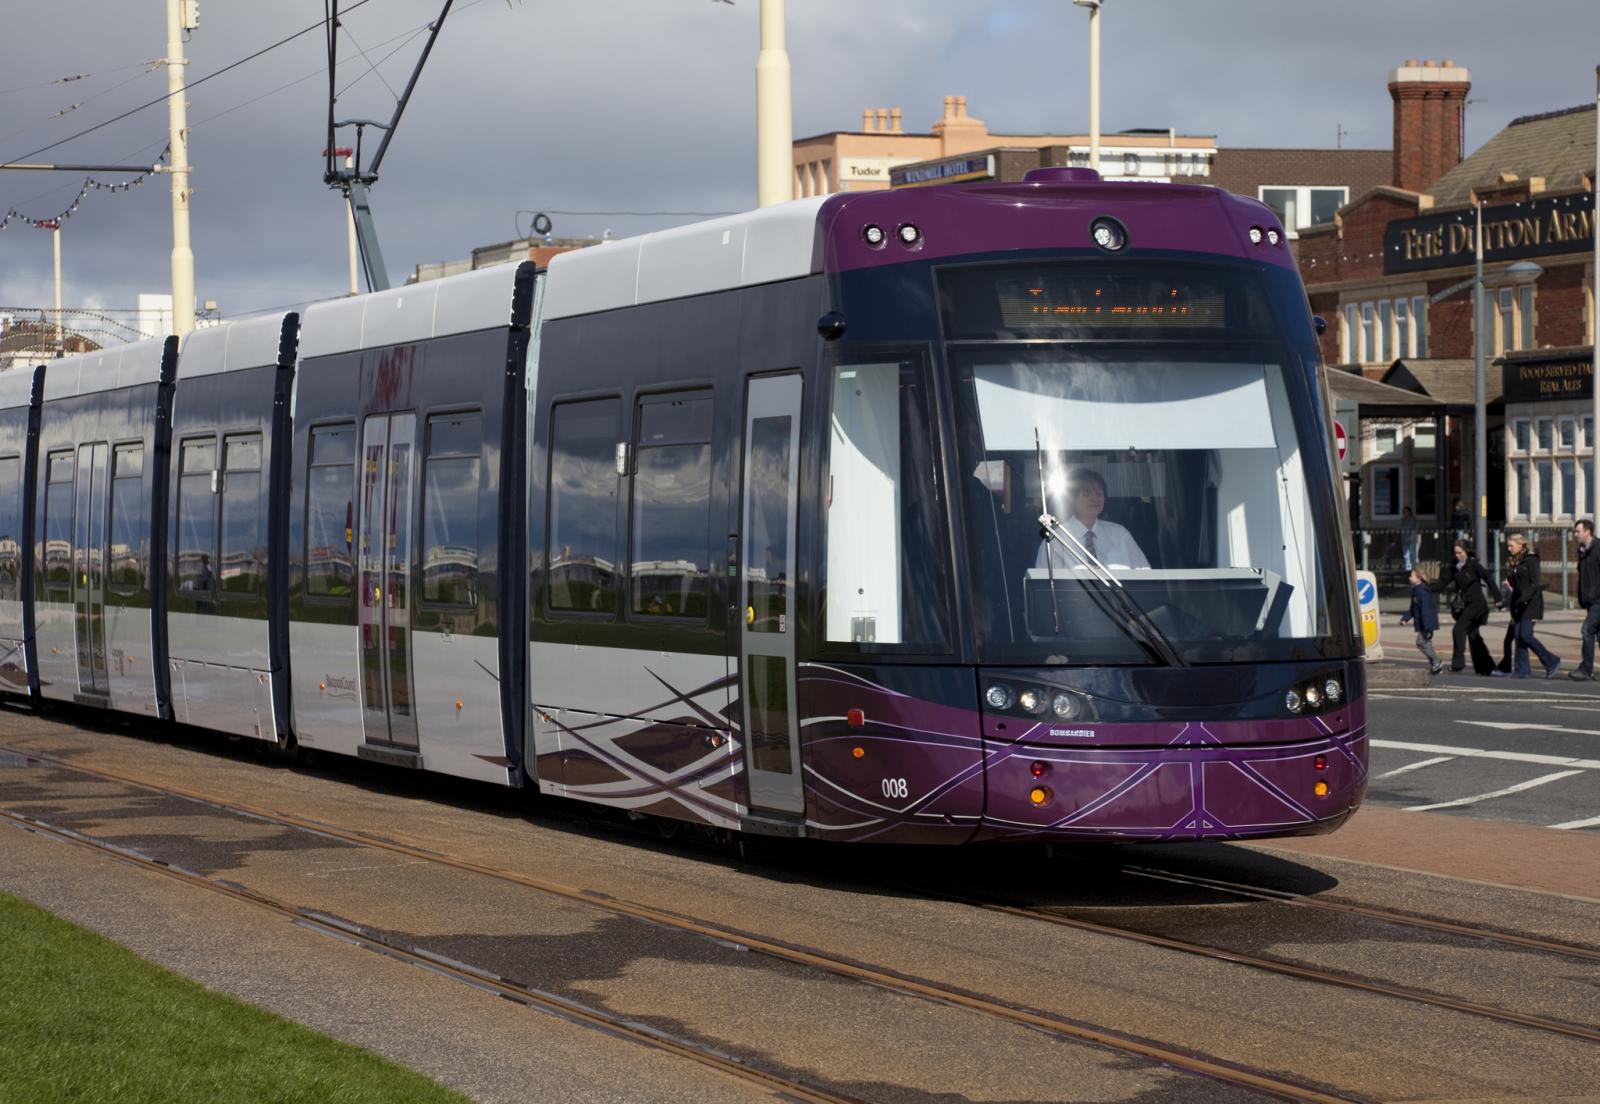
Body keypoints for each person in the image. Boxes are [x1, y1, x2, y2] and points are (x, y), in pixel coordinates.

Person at [1035, 467, 1150, 571]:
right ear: (1072, 499)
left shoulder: (1119, 534)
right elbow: (1044, 583)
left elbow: (1145, 575)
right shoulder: (1056, 539)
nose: (1095, 499)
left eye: (1099, 493)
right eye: (1087, 494)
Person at [1430, 540, 1494, 674]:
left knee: (1458, 630)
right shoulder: (1454, 567)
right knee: (1473, 635)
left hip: (1477, 605)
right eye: (1456, 553)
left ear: (1466, 551)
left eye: (1460, 553)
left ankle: (1458, 664)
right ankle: (1486, 667)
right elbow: (1442, 583)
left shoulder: (1473, 564)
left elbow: (1488, 578)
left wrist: (1498, 599)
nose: (1457, 555)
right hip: (1466, 605)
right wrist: (1425, 588)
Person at [1505, 532, 1561, 679]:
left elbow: (1535, 583)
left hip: (1531, 603)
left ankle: (1551, 661)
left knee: (1526, 635)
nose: (1509, 549)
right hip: (1518, 604)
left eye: (1511, 546)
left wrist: (1524, 597)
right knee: (1518, 636)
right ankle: (1522, 670)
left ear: (1520, 545)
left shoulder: (1531, 559)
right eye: (1508, 546)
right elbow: (1515, 583)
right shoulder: (1515, 560)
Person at [1569, 518, 1600, 681]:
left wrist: (1594, 593)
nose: (1575, 534)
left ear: (1588, 532)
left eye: (1578, 531)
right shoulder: (1583, 551)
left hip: (1598, 600)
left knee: (1587, 630)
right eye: (1574, 531)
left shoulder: (1598, 548)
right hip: (1590, 600)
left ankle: (1586, 669)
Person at [1398, 568, 1443, 674]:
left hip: (1426, 623)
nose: (1409, 578)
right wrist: (1405, 619)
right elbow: (1413, 608)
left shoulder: (1422, 591)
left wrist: (1427, 626)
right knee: (1426, 643)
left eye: (1411, 576)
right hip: (1423, 623)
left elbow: (1426, 609)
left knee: (1421, 642)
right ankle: (1435, 665)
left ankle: (1436, 661)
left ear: (1419, 578)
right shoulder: (1416, 590)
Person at [1399, 506, 1419, 571]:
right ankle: (1408, 571)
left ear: (1409, 512)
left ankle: (1415, 571)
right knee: (1406, 557)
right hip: (1405, 541)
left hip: (1412, 541)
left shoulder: (1413, 520)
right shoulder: (1402, 521)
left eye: (1406, 512)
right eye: (1404, 512)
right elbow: (1399, 528)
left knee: (1414, 557)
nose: (1405, 513)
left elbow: (1416, 530)